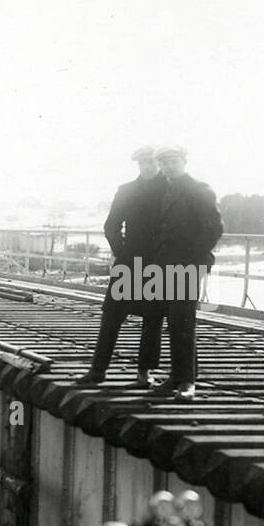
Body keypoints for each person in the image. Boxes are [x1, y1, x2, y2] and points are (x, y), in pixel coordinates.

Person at [77, 145, 167, 386]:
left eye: (150, 162)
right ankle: (97, 371)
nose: (147, 166)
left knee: (153, 318)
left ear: (158, 163)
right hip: (130, 260)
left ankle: (144, 374)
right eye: (142, 163)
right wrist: (122, 251)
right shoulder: (126, 191)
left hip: (160, 262)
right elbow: (111, 226)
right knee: (112, 314)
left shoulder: (172, 190)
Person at [143, 145, 223, 401]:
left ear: (184, 161)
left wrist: (193, 258)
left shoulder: (199, 190)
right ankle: (177, 376)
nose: (168, 167)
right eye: (164, 163)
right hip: (168, 263)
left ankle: (188, 381)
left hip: (188, 264)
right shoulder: (169, 191)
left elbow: (214, 229)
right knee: (174, 319)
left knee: (183, 320)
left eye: (173, 162)